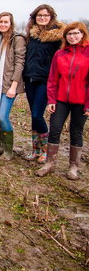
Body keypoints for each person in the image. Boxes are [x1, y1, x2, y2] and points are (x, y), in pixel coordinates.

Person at [36, 22, 89, 179]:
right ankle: (50, 163)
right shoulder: (60, 54)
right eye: (69, 34)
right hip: (61, 100)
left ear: (82, 34)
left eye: (75, 33)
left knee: (76, 131)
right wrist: (51, 100)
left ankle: (73, 167)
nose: (72, 37)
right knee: (55, 128)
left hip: (81, 101)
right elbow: (52, 79)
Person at [22, 4, 65, 163]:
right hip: (30, 79)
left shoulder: (57, 38)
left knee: (37, 115)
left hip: (45, 81)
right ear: (35, 18)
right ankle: (36, 150)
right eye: (39, 15)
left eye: (45, 15)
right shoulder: (31, 36)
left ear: (51, 17)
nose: (42, 18)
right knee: (33, 116)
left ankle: (46, 151)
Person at [0, 12, 26, 160]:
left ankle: (8, 150)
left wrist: (14, 86)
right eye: (0, 22)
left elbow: (19, 63)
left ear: (11, 24)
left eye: (5, 22)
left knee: (3, 115)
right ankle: (2, 146)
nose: (2, 24)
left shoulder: (17, 39)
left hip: (9, 84)